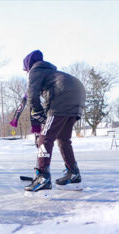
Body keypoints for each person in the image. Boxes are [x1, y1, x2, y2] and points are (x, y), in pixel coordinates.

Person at [22, 50, 86, 192]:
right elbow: (51, 95)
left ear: (28, 65)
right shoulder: (50, 72)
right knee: (63, 138)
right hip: (78, 94)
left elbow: (32, 95)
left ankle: (42, 177)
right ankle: (73, 173)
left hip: (64, 96)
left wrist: (37, 112)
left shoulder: (35, 70)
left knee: (45, 137)